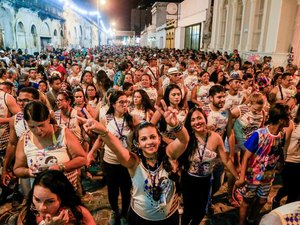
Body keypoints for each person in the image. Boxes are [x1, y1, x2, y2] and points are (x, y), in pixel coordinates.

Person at [80, 99, 189, 225]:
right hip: (139, 219)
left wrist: (175, 125)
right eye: (144, 139)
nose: (149, 142)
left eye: (153, 137)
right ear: (138, 143)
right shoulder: (134, 162)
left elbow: (184, 140)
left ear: (159, 139)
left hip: (169, 218)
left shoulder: (170, 154)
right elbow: (118, 148)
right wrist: (104, 132)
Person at [178, 107, 239, 225]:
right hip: (189, 179)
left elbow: (225, 159)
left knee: (201, 212)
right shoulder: (187, 138)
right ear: (189, 124)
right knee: (188, 212)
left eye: (199, 118)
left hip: (205, 179)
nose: (197, 122)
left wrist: (237, 176)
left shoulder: (215, 137)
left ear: (205, 119)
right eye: (193, 120)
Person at [235, 103, 290, 225]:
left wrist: (281, 162)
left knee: (262, 200)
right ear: (281, 120)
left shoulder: (282, 134)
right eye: (288, 117)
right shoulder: (259, 134)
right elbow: (246, 157)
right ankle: (242, 222)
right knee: (247, 200)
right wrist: (242, 177)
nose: (290, 120)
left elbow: (279, 149)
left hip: (268, 176)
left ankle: (252, 218)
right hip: (252, 176)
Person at [13, 101, 87, 191]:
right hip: (41, 195)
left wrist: (61, 167)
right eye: (32, 127)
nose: (38, 131)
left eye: (41, 125)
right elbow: (17, 169)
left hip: (66, 190)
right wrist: (28, 172)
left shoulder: (63, 133)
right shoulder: (24, 139)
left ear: (48, 118)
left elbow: (82, 158)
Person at [17, 170, 96, 225]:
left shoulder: (79, 213)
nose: (42, 207)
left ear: (62, 197)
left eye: (50, 201)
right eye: (37, 199)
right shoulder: (26, 214)